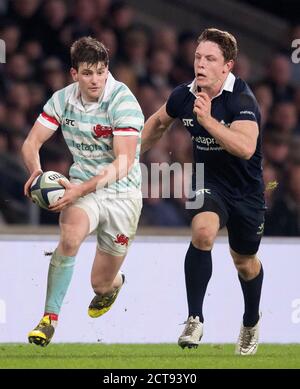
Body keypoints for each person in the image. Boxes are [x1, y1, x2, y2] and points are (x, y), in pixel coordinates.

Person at [142, 28, 265, 355]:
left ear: (227, 66)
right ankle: (194, 318)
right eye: (198, 57)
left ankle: (251, 320)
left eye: (210, 59)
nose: (201, 64)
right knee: (203, 233)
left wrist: (208, 122)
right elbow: (156, 124)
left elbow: (245, 147)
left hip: (246, 191)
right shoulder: (184, 94)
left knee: (245, 261)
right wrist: (125, 158)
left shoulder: (242, 99)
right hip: (205, 179)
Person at [22, 36, 144, 346]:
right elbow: (32, 142)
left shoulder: (123, 101)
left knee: (100, 283)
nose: (95, 80)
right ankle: (49, 318)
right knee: (70, 237)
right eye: (88, 73)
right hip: (81, 186)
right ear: (74, 74)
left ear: (107, 70)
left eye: (101, 72)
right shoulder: (62, 100)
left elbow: (124, 163)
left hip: (122, 195)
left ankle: (114, 285)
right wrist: (36, 172)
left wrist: (80, 190)